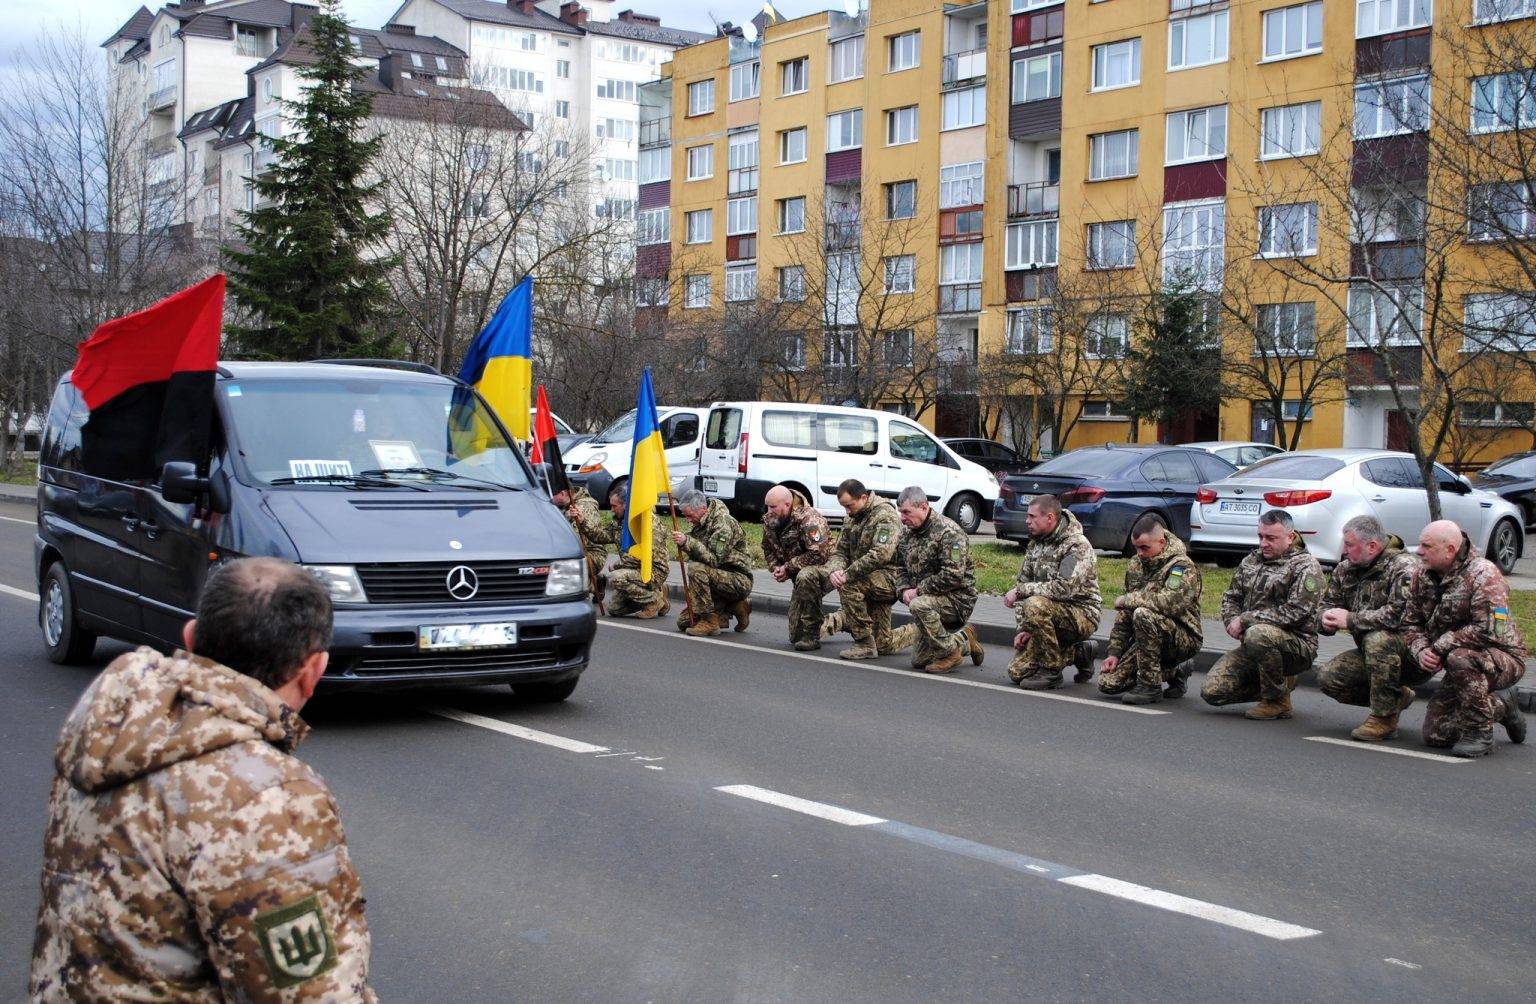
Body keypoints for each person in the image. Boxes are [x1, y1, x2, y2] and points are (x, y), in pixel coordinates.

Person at [30, 558, 374, 1001]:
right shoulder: (267, 798)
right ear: (313, 670)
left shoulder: (106, 733)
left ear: (191, 637)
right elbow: (305, 993)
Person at [1404, 519, 1528, 758]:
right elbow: (1410, 623)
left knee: (1459, 657)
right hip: (1457, 661)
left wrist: (1439, 646)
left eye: (1426, 546)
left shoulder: (1484, 574)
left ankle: (1479, 734)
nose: (1419, 551)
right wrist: (1421, 651)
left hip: (1501, 657)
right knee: (1436, 735)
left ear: (1450, 549)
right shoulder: (1423, 575)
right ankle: (1503, 706)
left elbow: (1490, 629)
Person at [1201, 509, 1322, 720]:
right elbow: (1231, 597)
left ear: (1290, 537)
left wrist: (1246, 620)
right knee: (1212, 692)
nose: (1264, 543)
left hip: (1296, 647)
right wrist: (1232, 622)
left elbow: (1297, 612)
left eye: (1271, 538)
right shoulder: (1251, 561)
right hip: (1254, 643)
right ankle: (1280, 684)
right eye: (1261, 536)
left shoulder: (1306, 567)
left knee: (1258, 633)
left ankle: (1275, 700)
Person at [1315, 515, 1425, 741]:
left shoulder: (1405, 568)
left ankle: (1383, 718)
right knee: (1329, 679)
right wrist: (1324, 619)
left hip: (1414, 655)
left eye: (1349, 545)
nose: (1344, 551)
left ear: (1372, 546)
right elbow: (1327, 604)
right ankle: (1395, 698)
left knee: (1378, 639)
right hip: (1372, 655)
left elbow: (1399, 615)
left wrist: (1351, 620)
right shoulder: (1346, 569)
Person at [794, 479, 904, 660]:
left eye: (849, 506)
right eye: (844, 507)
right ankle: (811, 633)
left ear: (863, 497)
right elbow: (840, 551)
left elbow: (881, 554)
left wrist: (847, 574)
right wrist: (835, 570)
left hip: (888, 577)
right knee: (883, 644)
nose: (847, 511)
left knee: (850, 586)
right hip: (861, 575)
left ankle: (865, 643)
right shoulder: (851, 517)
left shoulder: (885, 515)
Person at [1100, 513, 1202, 705]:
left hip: (1182, 637)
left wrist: (1131, 599)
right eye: (1136, 547)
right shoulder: (1136, 565)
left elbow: (1168, 602)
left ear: (1162, 543)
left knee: (1142, 613)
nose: (1139, 553)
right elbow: (1125, 614)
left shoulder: (1180, 566)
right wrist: (1114, 652)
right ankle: (1176, 670)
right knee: (1108, 684)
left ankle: (1150, 686)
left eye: (1145, 548)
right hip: (1147, 637)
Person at [1003, 495, 1101, 690]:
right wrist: (1024, 629)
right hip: (1044, 612)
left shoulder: (1076, 546)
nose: (1027, 521)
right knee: (1017, 672)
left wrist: (1020, 591)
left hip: (1080, 614)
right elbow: (1024, 582)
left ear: (1049, 518)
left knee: (1035, 603)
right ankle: (1080, 652)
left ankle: (1051, 671)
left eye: (1032, 516)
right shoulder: (1035, 544)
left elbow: (1063, 588)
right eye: (1027, 516)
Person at [883, 487, 983, 674]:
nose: (902, 518)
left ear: (923, 507)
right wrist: (904, 589)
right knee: (919, 661)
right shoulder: (907, 534)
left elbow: (953, 575)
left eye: (906, 512)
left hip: (957, 599)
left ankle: (950, 654)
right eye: (900, 512)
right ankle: (964, 640)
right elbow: (900, 568)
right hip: (928, 600)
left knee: (918, 605)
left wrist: (918, 591)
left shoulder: (949, 532)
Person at [672, 488, 754, 637]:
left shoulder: (723, 524)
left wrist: (687, 542)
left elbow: (713, 559)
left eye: (689, 516)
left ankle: (710, 621)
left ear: (703, 509)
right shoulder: (702, 521)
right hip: (716, 579)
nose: (688, 520)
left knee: (696, 569)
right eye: (685, 516)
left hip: (736, 579)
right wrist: (685, 541)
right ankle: (735, 607)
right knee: (683, 622)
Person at [761, 484, 833, 650]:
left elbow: (819, 554)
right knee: (795, 636)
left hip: (826, 570)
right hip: (798, 573)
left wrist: (788, 567)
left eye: (772, 506)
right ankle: (841, 620)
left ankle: (812, 636)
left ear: (787, 505)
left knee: (805, 576)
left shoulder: (810, 520)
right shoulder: (771, 519)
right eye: (767, 506)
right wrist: (777, 568)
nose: (768, 510)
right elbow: (767, 547)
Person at [594, 483, 671, 618]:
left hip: (652, 570)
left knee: (615, 577)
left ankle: (654, 601)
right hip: (632, 570)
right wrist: (582, 521)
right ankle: (658, 596)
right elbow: (601, 536)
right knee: (614, 609)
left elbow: (645, 554)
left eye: (614, 506)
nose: (611, 510)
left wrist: (618, 564)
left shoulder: (648, 522)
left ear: (626, 505)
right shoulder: (620, 522)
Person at [552, 484, 607, 601]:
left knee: (559, 572)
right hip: (575, 551)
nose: (550, 499)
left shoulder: (582, 507)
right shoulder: (565, 505)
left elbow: (575, 542)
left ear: (562, 493)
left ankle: (594, 584)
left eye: (552, 495)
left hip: (592, 554)